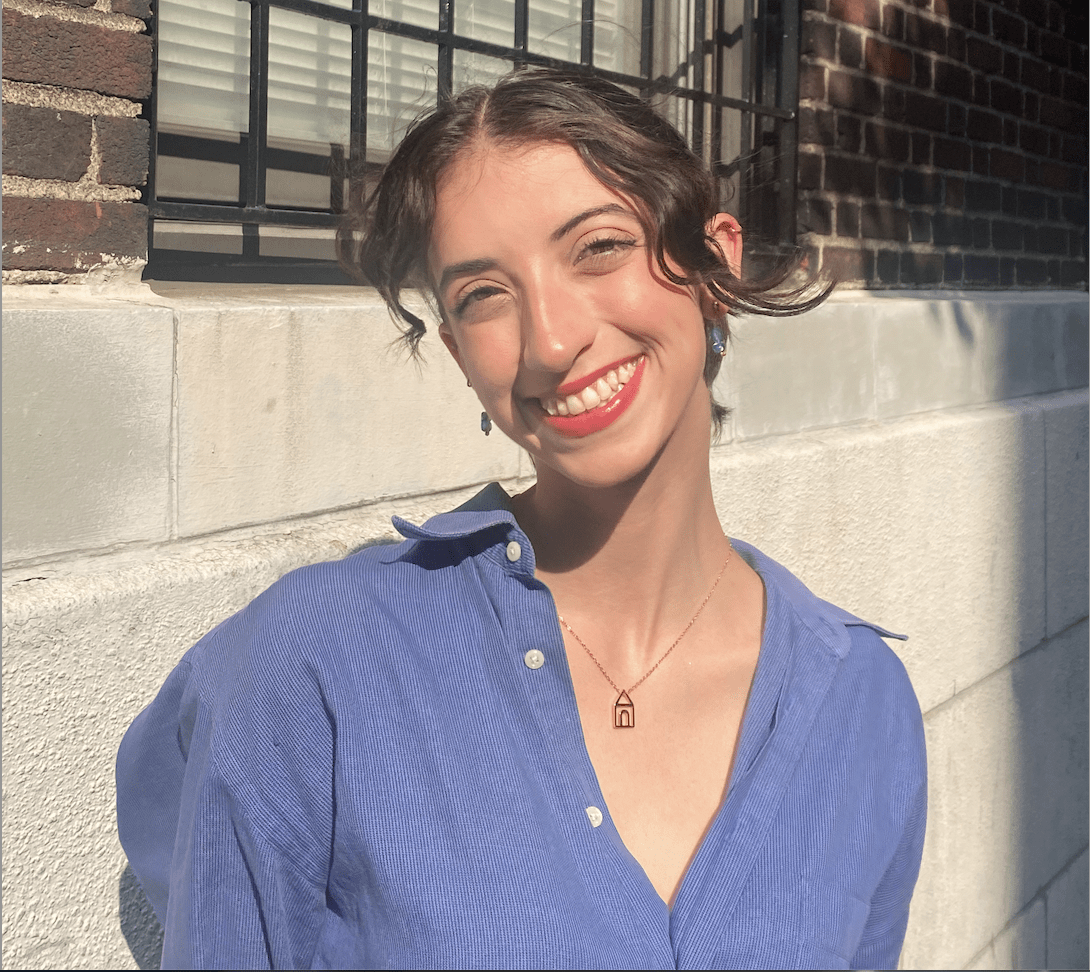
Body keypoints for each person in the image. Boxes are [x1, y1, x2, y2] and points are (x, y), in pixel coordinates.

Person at [117, 68, 926, 970]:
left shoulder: (862, 699)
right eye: (482, 295)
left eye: (598, 248)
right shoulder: (308, 671)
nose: (549, 341)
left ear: (715, 266)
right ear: (461, 355)